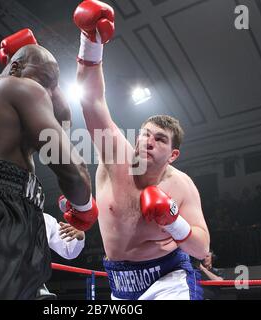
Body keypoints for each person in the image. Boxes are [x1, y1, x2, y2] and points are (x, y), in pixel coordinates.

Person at [0, 28, 98, 300]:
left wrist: (52, 86)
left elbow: (62, 124)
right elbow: (72, 165)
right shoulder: (21, 88)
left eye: (54, 86)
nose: (48, 91)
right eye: (46, 80)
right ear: (16, 67)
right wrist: (84, 209)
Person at [64, 0, 210, 300]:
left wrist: (173, 222)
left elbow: (201, 248)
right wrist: (91, 42)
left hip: (167, 277)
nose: (148, 141)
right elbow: (92, 102)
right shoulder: (117, 156)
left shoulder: (181, 186)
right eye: (145, 135)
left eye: (160, 139)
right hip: (119, 283)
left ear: (173, 155)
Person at [37, 214, 86, 300]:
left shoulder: (45, 219)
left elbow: (69, 250)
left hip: (33, 285)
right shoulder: (5, 212)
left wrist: (79, 236)